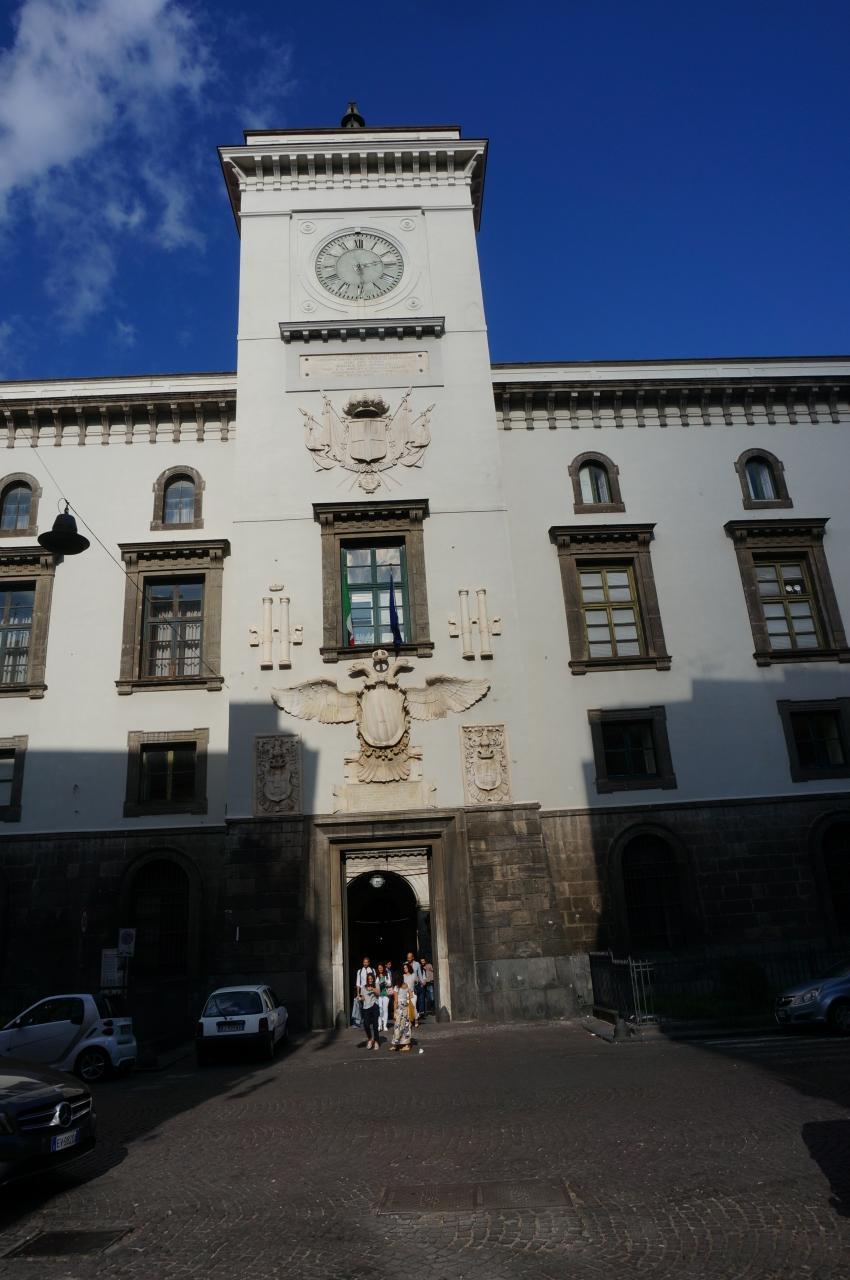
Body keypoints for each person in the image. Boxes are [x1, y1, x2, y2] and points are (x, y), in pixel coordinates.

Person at [388, 970, 415, 1052]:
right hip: (405, 1007)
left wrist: (394, 1012)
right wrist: (406, 1000)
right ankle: (406, 1045)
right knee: (406, 1025)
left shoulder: (396, 987)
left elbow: (395, 1001)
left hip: (399, 1008)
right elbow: (411, 995)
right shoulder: (406, 985)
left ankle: (395, 1044)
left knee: (397, 1026)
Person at [360, 972, 380, 1050]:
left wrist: (372, 989)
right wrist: (360, 998)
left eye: (371, 979)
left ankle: (376, 1041)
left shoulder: (376, 985)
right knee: (366, 1024)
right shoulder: (363, 987)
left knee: (375, 1025)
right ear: (367, 980)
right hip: (366, 1007)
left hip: (374, 1005)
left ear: (373, 979)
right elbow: (363, 998)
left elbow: (378, 994)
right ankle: (370, 1039)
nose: (370, 980)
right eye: (369, 979)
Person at [406, 952, 423, 1025]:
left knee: (413, 1005)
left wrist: (421, 982)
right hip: (407, 988)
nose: (408, 959)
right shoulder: (405, 964)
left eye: (409, 957)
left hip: (414, 987)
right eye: (407, 957)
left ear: (413, 957)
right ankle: (409, 1020)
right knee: (407, 1005)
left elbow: (419, 974)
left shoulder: (417, 964)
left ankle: (416, 1019)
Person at [375, 963, 391, 1032]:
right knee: (380, 1010)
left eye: (381, 968)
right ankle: (379, 1025)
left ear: (383, 968)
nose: (380, 969)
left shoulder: (387, 975)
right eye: (379, 968)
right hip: (379, 995)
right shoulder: (376, 976)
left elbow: (390, 983)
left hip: (385, 995)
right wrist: (378, 984)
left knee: (385, 1010)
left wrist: (385, 983)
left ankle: (385, 1025)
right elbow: (375, 985)